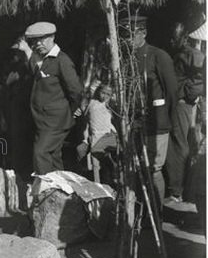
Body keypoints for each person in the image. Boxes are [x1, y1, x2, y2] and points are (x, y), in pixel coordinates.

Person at [119, 15, 177, 212]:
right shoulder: (127, 59)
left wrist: (165, 119)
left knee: (153, 169)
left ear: (143, 33)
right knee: (138, 168)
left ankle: (157, 212)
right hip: (135, 123)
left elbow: (171, 91)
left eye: (131, 34)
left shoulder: (158, 56)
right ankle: (143, 213)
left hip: (157, 122)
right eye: (124, 35)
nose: (127, 39)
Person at [26, 21, 83, 174]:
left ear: (52, 38)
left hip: (56, 121)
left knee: (41, 153)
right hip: (42, 120)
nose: (38, 44)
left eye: (42, 39)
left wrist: (70, 112)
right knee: (53, 157)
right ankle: (60, 193)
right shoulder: (40, 60)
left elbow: (76, 90)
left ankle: (45, 191)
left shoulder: (62, 60)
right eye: (35, 41)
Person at [165, 22, 205, 203]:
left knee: (179, 144)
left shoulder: (193, 55)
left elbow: (199, 81)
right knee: (178, 142)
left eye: (175, 38)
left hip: (182, 105)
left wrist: (186, 96)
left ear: (184, 37)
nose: (172, 41)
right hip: (176, 103)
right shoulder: (180, 54)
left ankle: (176, 190)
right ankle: (178, 188)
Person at [4, 38, 34, 179]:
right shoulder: (15, 67)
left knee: (27, 144)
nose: (16, 55)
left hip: (29, 110)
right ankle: (19, 175)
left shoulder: (31, 65)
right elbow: (8, 85)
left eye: (18, 52)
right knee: (17, 144)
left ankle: (26, 175)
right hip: (17, 109)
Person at [77, 84, 117, 183]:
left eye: (108, 94)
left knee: (104, 159)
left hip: (107, 136)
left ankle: (112, 180)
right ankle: (96, 184)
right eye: (103, 93)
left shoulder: (110, 106)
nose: (104, 96)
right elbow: (87, 122)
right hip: (95, 136)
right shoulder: (92, 103)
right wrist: (85, 139)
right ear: (98, 91)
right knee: (93, 161)